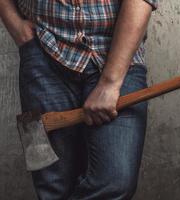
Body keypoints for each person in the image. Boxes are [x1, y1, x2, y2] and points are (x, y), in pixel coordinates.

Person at [0, 0, 158, 199]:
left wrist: (110, 82)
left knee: (115, 182)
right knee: (53, 187)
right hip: (41, 51)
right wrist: (15, 25)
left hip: (118, 57)